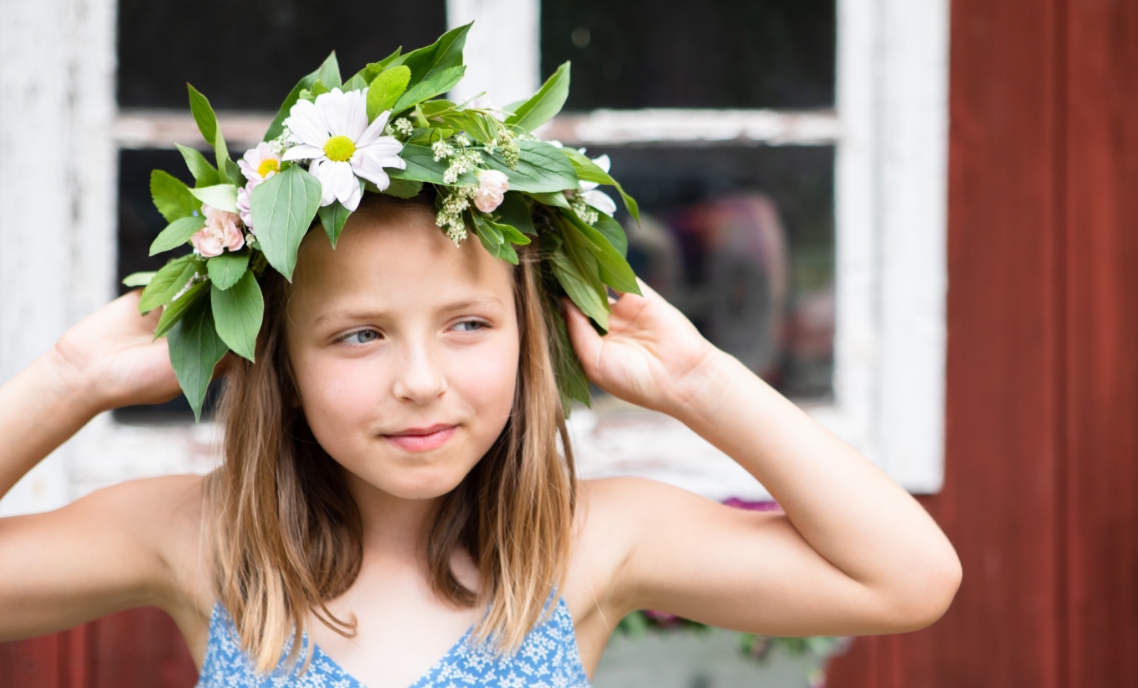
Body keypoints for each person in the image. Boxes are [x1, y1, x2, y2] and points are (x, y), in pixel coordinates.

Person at [0, 31, 961, 688]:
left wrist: (698, 382)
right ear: (279, 362)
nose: (420, 378)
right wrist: (69, 378)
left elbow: (908, 578)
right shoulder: (209, 540)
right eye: (358, 335)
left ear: (527, 334)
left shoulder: (586, 542)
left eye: (468, 324)